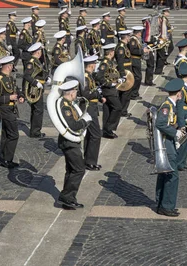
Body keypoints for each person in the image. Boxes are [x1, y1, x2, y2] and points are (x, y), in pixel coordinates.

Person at [56, 79, 92, 210]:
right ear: (71, 93)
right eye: (75, 91)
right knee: (79, 169)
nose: (77, 93)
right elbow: (73, 125)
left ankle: (68, 199)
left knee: (71, 170)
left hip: (70, 141)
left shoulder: (69, 104)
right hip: (69, 142)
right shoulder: (65, 107)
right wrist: (85, 121)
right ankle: (66, 196)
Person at [155, 78, 185, 217]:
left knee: (165, 174)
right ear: (178, 93)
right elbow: (160, 123)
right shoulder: (167, 106)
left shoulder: (170, 105)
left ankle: (161, 203)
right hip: (166, 144)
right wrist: (175, 133)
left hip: (168, 142)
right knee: (172, 176)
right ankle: (167, 206)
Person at [0, 56, 23, 168]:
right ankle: (8, 160)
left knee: (6, 134)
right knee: (14, 135)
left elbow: (16, 88)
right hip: (4, 110)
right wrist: (9, 97)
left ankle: (3, 159)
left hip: (11, 109)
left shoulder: (9, 78)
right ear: (9, 66)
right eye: (12, 65)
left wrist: (20, 96)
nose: (12, 67)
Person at [81, 55, 106, 171]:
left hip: (92, 107)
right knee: (96, 134)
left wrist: (100, 97)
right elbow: (85, 94)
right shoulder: (86, 77)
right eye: (95, 63)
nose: (96, 65)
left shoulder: (89, 76)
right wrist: (97, 95)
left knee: (91, 135)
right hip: (89, 108)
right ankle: (90, 162)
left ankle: (87, 160)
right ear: (91, 65)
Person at [97, 43, 122, 139]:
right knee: (118, 107)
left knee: (108, 109)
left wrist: (117, 79)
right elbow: (99, 76)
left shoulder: (109, 62)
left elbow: (110, 74)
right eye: (113, 51)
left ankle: (107, 131)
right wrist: (109, 84)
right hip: (108, 90)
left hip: (111, 89)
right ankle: (109, 127)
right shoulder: (105, 63)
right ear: (111, 52)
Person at [23, 43, 48, 139]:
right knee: (38, 110)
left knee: (36, 110)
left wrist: (45, 78)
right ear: (38, 52)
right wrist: (35, 83)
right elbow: (27, 75)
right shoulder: (32, 62)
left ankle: (34, 130)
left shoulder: (36, 61)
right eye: (40, 51)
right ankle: (35, 131)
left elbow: (39, 73)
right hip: (35, 89)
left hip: (39, 87)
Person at [115, 30, 133, 118]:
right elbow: (120, 61)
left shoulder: (124, 46)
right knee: (126, 92)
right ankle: (122, 110)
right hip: (125, 71)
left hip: (128, 70)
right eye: (129, 36)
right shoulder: (121, 48)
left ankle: (123, 109)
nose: (130, 37)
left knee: (126, 92)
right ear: (126, 37)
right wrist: (123, 74)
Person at [129, 26, 147, 100]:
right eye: (140, 33)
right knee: (138, 77)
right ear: (138, 33)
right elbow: (133, 50)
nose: (140, 34)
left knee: (137, 77)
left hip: (137, 59)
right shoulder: (133, 40)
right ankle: (133, 93)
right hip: (134, 60)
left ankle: (134, 93)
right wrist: (143, 51)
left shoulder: (136, 39)